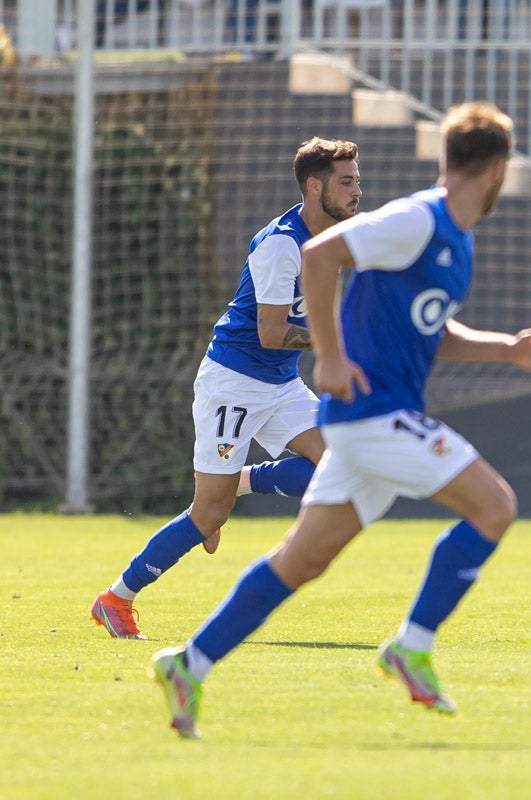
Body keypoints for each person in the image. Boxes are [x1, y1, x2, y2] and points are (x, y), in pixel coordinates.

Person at [150, 101, 531, 739]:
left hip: (372, 423)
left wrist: (505, 349)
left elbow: (431, 330)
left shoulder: (453, 237)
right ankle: (412, 645)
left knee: (301, 560)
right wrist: (333, 357)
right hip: (374, 414)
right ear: (497, 171)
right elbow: (320, 256)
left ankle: (190, 662)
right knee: (495, 507)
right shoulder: (416, 219)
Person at [90, 137, 363, 640]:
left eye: (357, 180)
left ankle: (242, 480)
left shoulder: (335, 238)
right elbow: (272, 333)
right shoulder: (283, 243)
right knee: (209, 513)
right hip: (234, 384)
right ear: (314, 185)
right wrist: (338, 343)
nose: (357, 191)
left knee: (344, 467)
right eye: (346, 182)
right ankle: (116, 599)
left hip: (280, 382)